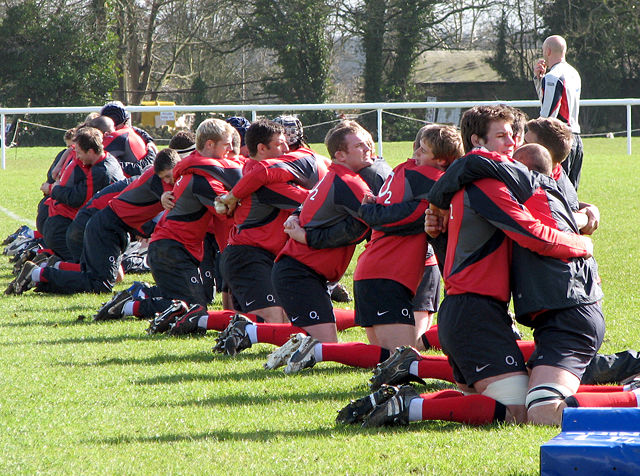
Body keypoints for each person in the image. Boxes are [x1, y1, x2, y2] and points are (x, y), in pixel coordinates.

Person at [344, 105, 594, 427]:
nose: (512, 140)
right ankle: (409, 406)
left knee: (505, 394)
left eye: (513, 134)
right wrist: (581, 243)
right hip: (476, 315)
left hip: (466, 312)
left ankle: (406, 398)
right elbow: (534, 235)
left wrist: (586, 213)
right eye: (502, 135)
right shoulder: (486, 183)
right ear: (476, 140)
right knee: (519, 413)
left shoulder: (472, 180)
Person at [273, 125, 462, 375]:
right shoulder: (412, 176)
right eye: (359, 145)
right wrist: (310, 236)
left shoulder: (394, 170)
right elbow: (377, 220)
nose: (368, 148)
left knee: (393, 360)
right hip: (377, 273)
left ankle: (309, 347)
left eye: (368, 141)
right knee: (404, 359)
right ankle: (314, 349)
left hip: (376, 272)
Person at [97, 118, 243, 326]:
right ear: (210, 145)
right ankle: (129, 306)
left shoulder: (195, 165)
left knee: (186, 298)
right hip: (172, 249)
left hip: (170, 247)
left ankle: (139, 293)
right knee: (194, 312)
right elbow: (225, 208)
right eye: (226, 144)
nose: (230, 149)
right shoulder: (200, 177)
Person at [10, 148, 180, 296]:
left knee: (102, 278)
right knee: (100, 283)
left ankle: (44, 271)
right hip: (104, 226)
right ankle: (39, 274)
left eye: (168, 177)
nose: (167, 181)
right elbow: (167, 196)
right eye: (164, 177)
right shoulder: (157, 180)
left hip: (110, 226)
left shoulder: (156, 176)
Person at [39, 124, 125, 262]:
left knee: (88, 269)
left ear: (90, 151)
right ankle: (49, 268)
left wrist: (53, 190)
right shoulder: (106, 160)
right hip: (91, 225)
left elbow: (79, 199)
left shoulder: (100, 171)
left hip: (103, 226)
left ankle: (47, 270)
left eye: (78, 152)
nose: (77, 157)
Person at [533, 35, 583, 190]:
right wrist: (538, 80)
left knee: (556, 193)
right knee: (571, 195)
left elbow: (547, 116)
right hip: (576, 139)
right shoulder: (574, 73)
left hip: (559, 140)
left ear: (547, 51)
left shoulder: (553, 76)